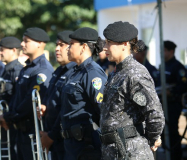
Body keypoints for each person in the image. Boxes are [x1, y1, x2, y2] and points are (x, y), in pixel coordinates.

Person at [100, 21, 165, 160]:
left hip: (131, 152)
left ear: (124, 44)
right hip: (113, 151)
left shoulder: (135, 73)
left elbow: (155, 114)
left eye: (109, 42)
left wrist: (149, 140)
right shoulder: (116, 73)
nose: (105, 47)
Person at [0, 27, 54, 160]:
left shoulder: (42, 69)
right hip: (21, 130)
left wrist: (9, 117)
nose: (22, 44)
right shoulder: (27, 68)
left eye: (26, 41)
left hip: (32, 132)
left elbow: (30, 102)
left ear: (39, 44)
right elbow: (17, 97)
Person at [57, 27, 107, 160]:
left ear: (83, 47)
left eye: (71, 44)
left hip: (87, 146)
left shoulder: (93, 73)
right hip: (72, 145)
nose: (68, 48)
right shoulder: (75, 72)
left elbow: (104, 110)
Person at [37, 30, 75, 160]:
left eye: (62, 45)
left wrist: (51, 136)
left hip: (64, 139)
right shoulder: (59, 71)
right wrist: (45, 107)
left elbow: (66, 109)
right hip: (53, 138)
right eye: (57, 45)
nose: (57, 49)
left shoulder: (75, 72)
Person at [159, 40, 187, 160]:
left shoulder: (178, 67)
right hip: (162, 104)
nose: (162, 53)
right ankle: (167, 154)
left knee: (172, 133)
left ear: (171, 51)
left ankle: (176, 156)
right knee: (163, 133)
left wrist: (172, 92)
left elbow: (184, 85)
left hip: (173, 105)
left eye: (164, 50)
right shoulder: (162, 66)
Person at [0, 36, 24, 160]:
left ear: (14, 50)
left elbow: (17, 98)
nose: (0, 53)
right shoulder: (5, 70)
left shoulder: (17, 70)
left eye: (3, 49)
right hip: (4, 120)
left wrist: (7, 117)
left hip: (12, 122)